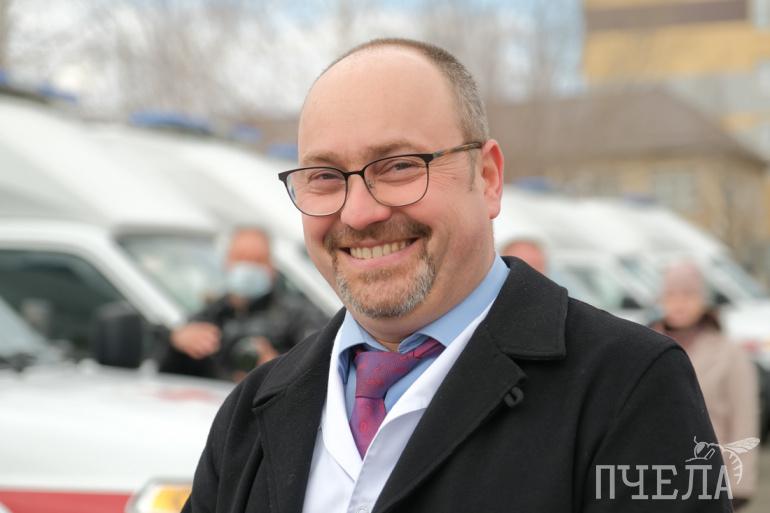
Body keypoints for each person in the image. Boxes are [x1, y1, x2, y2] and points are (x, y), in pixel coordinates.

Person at [184, 39, 729, 512]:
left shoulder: (629, 386)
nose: (359, 213)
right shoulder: (252, 411)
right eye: (325, 176)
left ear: (487, 178)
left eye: (399, 166)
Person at [650, 260, 759, 510]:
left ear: (703, 300)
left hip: (710, 480)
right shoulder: (644, 346)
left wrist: (739, 486)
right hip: (654, 479)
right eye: (671, 294)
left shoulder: (729, 353)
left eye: (688, 294)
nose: (679, 303)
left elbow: (744, 418)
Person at [159, 226, 328, 381]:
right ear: (226, 263)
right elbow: (168, 377)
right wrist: (176, 343)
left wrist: (278, 367)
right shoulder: (212, 315)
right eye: (241, 258)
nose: (248, 267)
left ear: (272, 268)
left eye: (257, 260)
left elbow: (319, 369)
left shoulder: (297, 316)